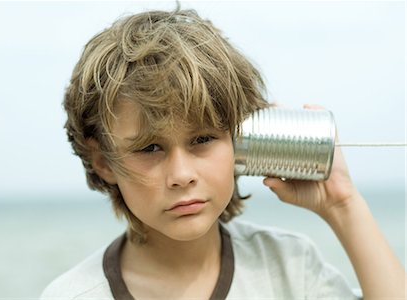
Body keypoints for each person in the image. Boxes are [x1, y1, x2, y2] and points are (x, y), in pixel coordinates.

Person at [41, 7, 406, 300]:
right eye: (150, 148)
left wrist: (343, 205)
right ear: (104, 161)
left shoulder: (289, 267)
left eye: (202, 139)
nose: (182, 174)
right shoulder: (72, 294)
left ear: (244, 136)